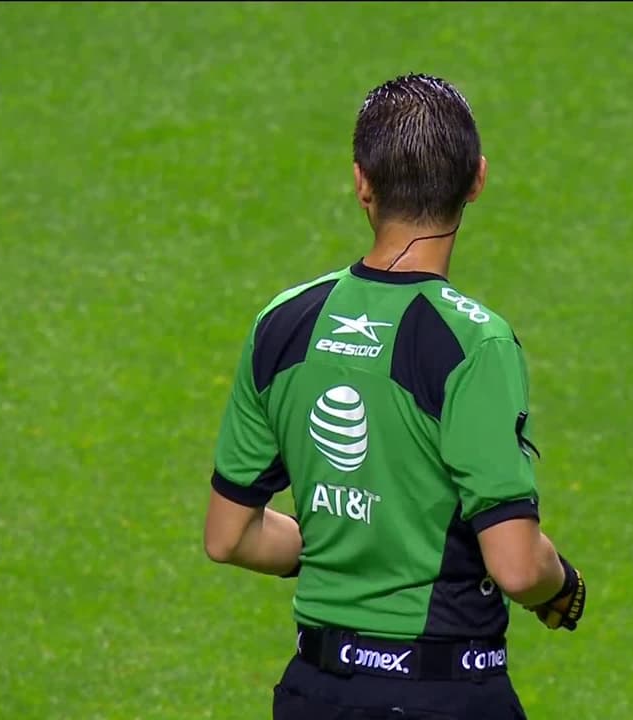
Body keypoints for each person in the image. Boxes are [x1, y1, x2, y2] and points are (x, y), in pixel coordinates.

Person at [203, 73, 586, 720]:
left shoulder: (285, 320)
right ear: (477, 180)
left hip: (315, 694)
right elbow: (517, 567)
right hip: (444, 693)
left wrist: (346, 538)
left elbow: (229, 536)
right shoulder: (475, 343)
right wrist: (563, 586)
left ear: (362, 183)